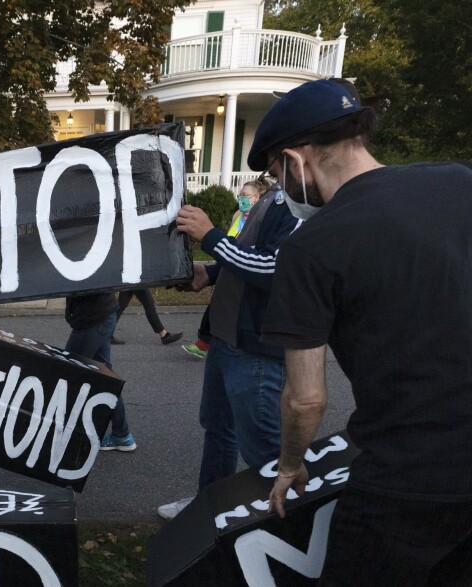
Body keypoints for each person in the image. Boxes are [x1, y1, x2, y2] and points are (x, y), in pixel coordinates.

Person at [253, 79, 472, 585]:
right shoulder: (460, 182)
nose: (281, 189)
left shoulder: (311, 248)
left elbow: (304, 400)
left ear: (295, 160)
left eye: (275, 175)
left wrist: (290, 465)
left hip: (407, 481)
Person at [156, 177, 300, 520]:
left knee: (263, 446)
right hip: (227, 338)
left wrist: (210, 235)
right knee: (219, 428)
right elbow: (249, 252)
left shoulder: (300, 204)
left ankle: (287, 527)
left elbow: (273, 268)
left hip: (256, 348)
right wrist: (211, 272)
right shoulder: (278, 195)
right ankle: (210, 508)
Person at [182, 180, 266, 360]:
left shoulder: (262, 218)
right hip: (226, 268)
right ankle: (206, 342)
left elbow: (258, 261)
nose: (242, 199)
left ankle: (205, 343)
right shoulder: (238, 215)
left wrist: (209, 236)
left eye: (246, 196)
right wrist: (211, 272)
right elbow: (230, 243)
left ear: (256, 198)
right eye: (240, 195)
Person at [64, 293, 136, 452]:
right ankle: (122, 435)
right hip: (103, 315)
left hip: (93, 320)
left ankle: (55, 432)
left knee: (67, 373)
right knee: (105, 376)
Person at [111, 289, 182, 345]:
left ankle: (106, 333)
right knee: (148, 303)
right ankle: (164, 335)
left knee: (120, 306)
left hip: (128, 274)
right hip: (136, 275)